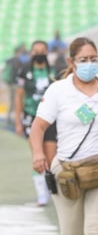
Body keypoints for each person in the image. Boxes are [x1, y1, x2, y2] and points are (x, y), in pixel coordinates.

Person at [29, 37, 98, 235]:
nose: (89, 63)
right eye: (83, 59)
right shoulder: (58, 90)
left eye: (93, 59)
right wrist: (38, 153)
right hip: (67, 173)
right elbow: (38, 127)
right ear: (71, 61)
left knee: (97, 232)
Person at [15, 40, 57, 206]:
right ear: (31, 53)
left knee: (51, 157)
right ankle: (42, 194)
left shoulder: (53, 71)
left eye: (42, 50)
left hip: (51, 119)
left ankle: (52, 189)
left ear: (47, 52)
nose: (39, 52)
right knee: (37, 155)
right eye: (36, 50)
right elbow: (19, 97)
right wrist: (18, 122)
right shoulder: (24, 71)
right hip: (31, 117)